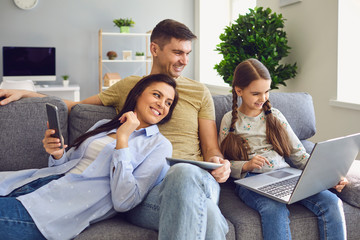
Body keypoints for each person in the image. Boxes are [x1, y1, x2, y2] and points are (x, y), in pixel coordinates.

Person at [0, 19, 231, 239]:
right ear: (154, 49)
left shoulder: (199, 92)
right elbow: (75, 107)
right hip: (143, 187)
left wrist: (219, 163)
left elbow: (211, 148)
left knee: (185, 174)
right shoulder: (130, 86)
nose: (184, 60)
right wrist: (29, 94)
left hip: (193, 177)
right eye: (178, 52)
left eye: (188, 54)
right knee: (206, 213)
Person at [0, 74, 178, 240]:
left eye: (168, 103)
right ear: (138, 94)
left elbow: (124, 201)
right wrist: (57, 153)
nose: (162, 104)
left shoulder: (159, 146)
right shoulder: (104, 126)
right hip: (32, 183)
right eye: (157, 95)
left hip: (53, 208)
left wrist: (122, 140)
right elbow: (66, 165)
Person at [218, 58, 348, 240]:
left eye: (266, 92)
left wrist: (327, 176)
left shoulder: (275, 116)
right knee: (274, 209)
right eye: (256, 93)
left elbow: (298, 153)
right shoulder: (229, 120)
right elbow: (222, 164)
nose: (262, 98)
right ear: (239, 90)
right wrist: (246, 165)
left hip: (286, 174)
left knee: (331, 201)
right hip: (251, 180)